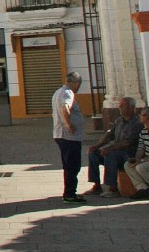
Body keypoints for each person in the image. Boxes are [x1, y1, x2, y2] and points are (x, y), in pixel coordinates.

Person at [84, 96, 141, 198]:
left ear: (132, 108)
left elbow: (127, 142)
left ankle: (113, 188)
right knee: (94, 153)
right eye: (120, 106)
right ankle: (97, 185)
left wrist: (110, 148)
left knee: (110, 155)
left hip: (128, 154)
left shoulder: (136, 123)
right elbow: (109, 136)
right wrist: (97, 146)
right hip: (117, 151)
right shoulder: (119, 120)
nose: (120, 108)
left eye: (123, 106)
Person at [52, 72, 85, 203]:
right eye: (79, 84)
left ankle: (69, 192)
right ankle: (70, 194)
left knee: (68, 165)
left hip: (61, 135)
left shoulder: (58, 92)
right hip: (69, 137)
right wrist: (69, 125)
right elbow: (65, 107)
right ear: (76, 83)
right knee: (73, 165)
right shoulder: (68, 93)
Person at [123, 108, 149, 199]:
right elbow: (141, 149)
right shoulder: (143, 132)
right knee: (128, 165)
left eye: (142, 115)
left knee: (141, 167)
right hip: (146, 159)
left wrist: (141, 161)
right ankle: (143, 189)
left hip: (147, 160)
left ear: (148, 117)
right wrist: (136, 159)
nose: (140, 116)